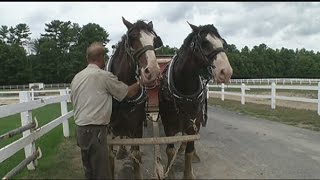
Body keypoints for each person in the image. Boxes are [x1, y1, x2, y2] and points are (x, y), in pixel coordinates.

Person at [70, 42, 141, 179]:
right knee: (102, 173)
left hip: (80, 131)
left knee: (89, 171)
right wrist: (140, 83)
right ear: (101, 58)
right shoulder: (103, 76)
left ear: (88, 58)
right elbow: (128, 93)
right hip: (96, 133)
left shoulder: (76, 78)